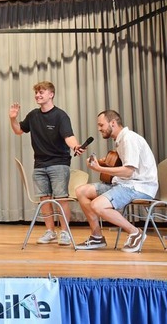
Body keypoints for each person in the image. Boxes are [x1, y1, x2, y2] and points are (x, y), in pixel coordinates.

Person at [9, 81, 86, 246]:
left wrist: (76, 146)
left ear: (51, 94)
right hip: (39, 164)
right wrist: (13, 119)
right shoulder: (33, 115)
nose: (37, 95)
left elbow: (68, 136)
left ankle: (64, 232)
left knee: (61, 199)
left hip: (59, 163)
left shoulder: (60, 115)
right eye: (36, 92)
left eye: (41, 92)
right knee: (44, 199)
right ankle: (50, 231)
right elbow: (18, 131)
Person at [75, 110, 158, 252]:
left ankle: (135, 232)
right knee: (81, 191)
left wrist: (100, 168)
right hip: (125, 183)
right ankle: (97, 237)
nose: (99, 129)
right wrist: (103, 163)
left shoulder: (129, 139)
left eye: (101, 125)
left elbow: (128, 171)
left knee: (97, 205)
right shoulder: (120, 140)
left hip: (139, 186)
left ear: (113, 123)